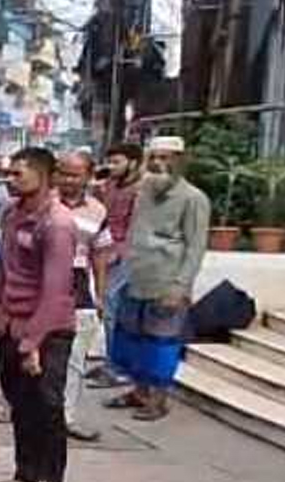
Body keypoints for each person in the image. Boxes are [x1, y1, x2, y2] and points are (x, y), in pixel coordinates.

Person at [0, 148, 80, 482]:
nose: (10, 180)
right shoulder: (10, 214)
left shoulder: (57, 224)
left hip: (49, 330)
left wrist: (33, 343)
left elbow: (55, 292)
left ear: (43, 176)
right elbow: (2, 268)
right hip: (13, 323)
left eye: (18, 174)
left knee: (48, 408)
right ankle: (25, 476)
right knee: (19, 402)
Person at [106, 136, 210, 422]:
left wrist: (180, 286)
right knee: (132, 338)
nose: (159, 164)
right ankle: (138, 392)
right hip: (136, 276)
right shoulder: (144, 192)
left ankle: (159, 399)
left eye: (167, 158)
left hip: (167, 281)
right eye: (154, 158)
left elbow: (195, 247)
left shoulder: (194, 199)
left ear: (180, 161)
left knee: (161, 343)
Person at [56, 151, 115, 441]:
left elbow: (100, 255)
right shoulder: (40, 204)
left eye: (74, 174)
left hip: (77, 285)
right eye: (63, 172)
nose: (68, 179)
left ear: (88, 177)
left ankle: (65, 417)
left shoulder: (97, 211)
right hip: (40, 285)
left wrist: (100, 295)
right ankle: (14, 406)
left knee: (74, 358)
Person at [87, 143, 144, 390]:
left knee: (112, 306)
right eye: (110, 162)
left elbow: (137, 227)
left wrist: (119, 252)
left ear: (133, 162)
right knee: (109, 310)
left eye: (117, 162)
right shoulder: (108, 186)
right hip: (103, 253)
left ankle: (118, 367)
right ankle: (113, 361)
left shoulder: (141, 189)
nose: (112, 167)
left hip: (126, 255)